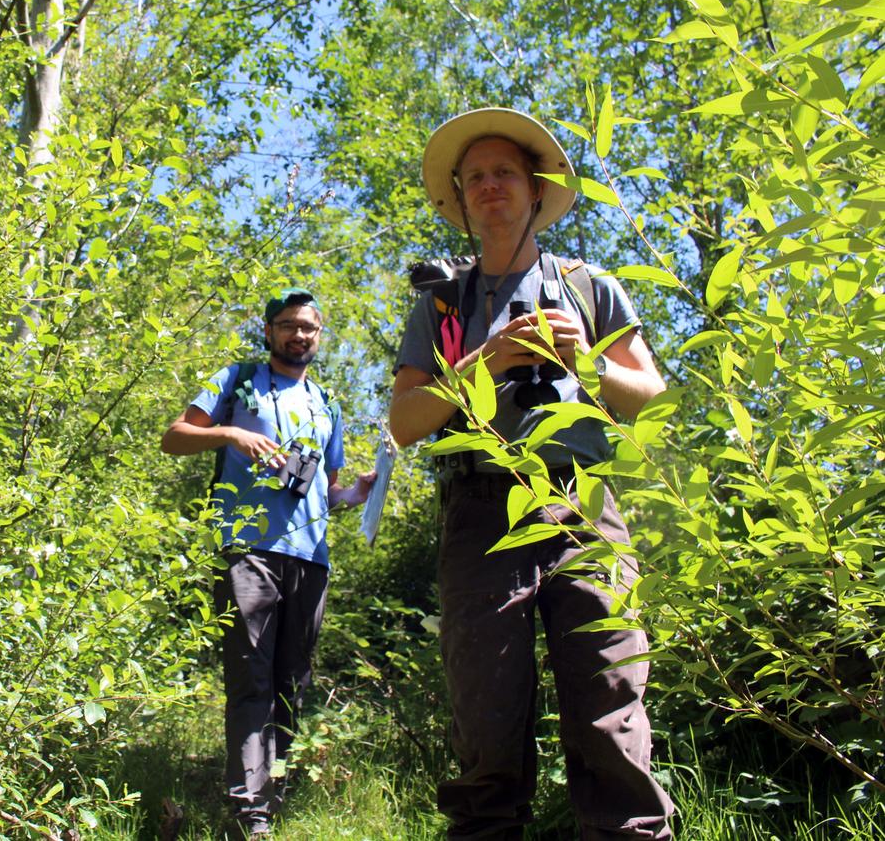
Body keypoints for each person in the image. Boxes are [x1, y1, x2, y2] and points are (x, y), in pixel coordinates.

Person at [388, 108, 675, 839]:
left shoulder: (589, 287)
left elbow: (650, 394)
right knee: (487, 722)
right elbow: (405, 422)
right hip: (480, 511)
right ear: (458, 195)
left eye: (504, 172)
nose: (489, 185)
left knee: (611, 707)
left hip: (582, 507)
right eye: (474, 175)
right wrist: (486, 361)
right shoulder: (442, 302)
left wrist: (590, 362)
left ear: (536, 187)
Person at [161, 287, 374, 838]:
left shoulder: (328, 403)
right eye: (288, 325)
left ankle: (276, 792)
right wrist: (231, 433)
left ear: (319, 336)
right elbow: (175, 436)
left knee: (292, 682)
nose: (298, 334)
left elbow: (326, 491)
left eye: (309, 327)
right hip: (247, 550)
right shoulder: (237, 379)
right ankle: (249, 814)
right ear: (270, 331)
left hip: (310, 557)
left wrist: (358, 493)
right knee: (252, 678)